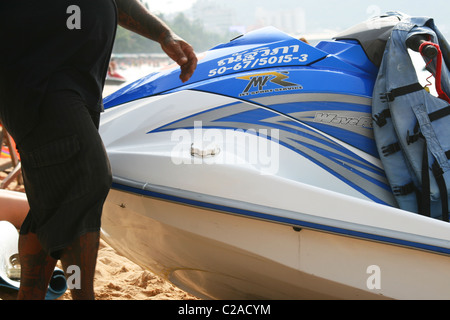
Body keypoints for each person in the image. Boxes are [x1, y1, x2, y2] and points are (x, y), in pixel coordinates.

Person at [0, 0, 197, 300]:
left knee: (54, 196)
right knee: (87, 176)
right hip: (37, 78)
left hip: (82, 83)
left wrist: (162, 34)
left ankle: (30, 295)